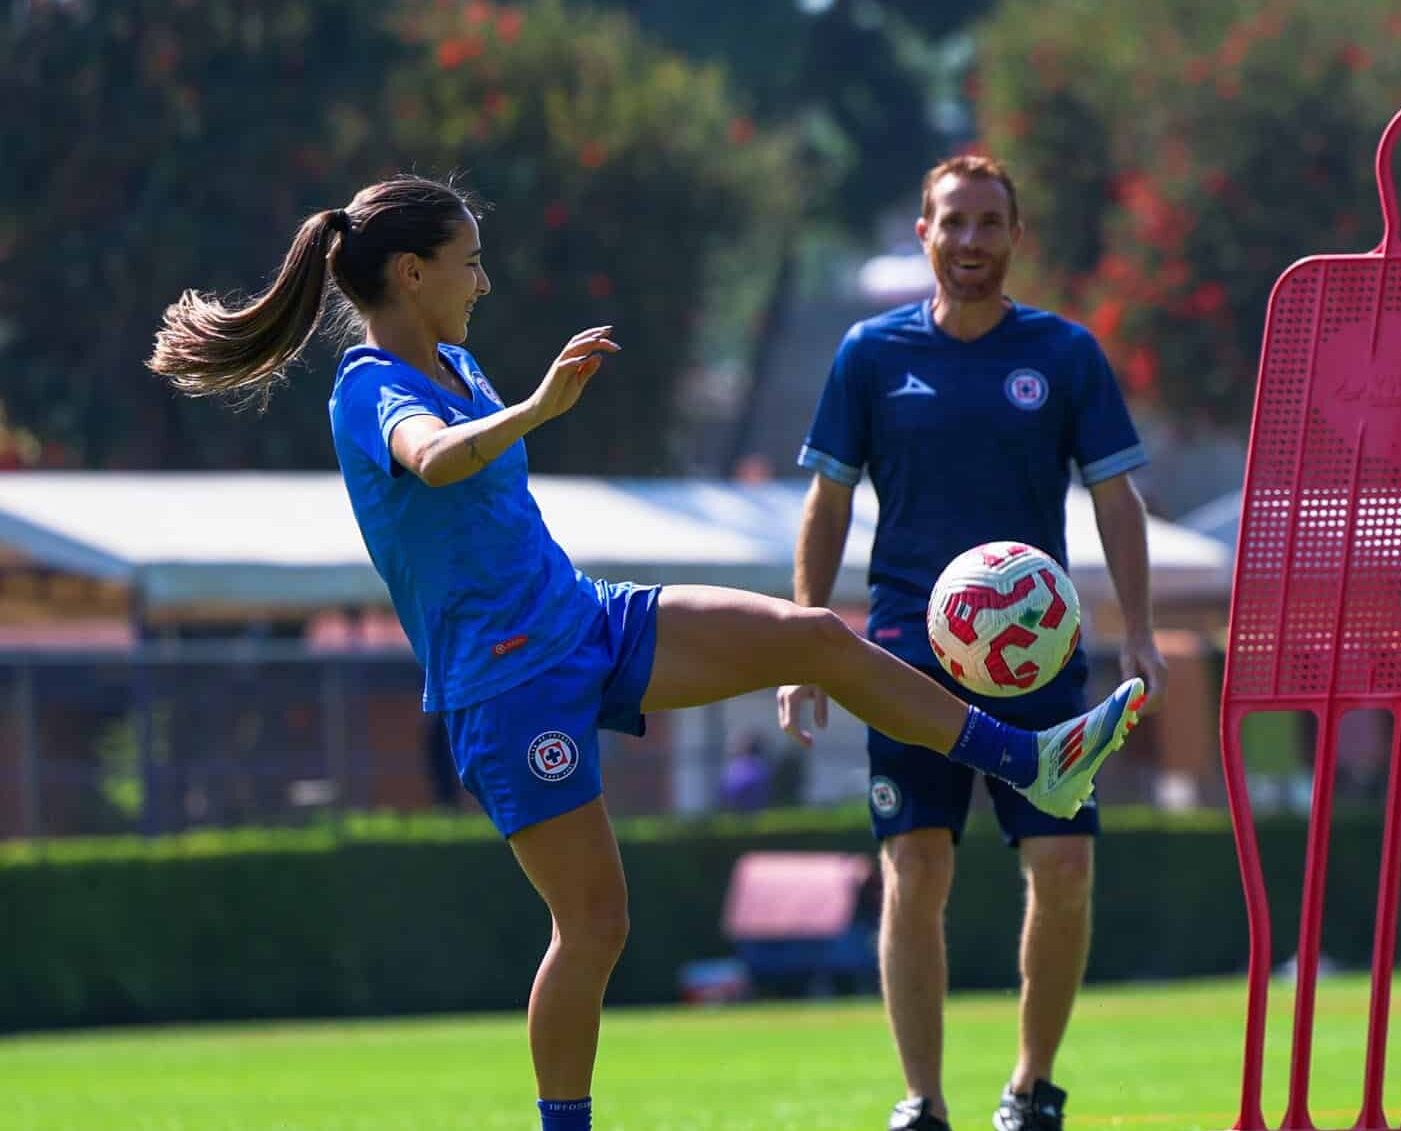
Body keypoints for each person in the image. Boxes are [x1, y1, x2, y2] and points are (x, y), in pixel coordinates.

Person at [145, 173, 1147, 1131]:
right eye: (470, 262)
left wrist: (523, 406)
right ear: (411, 273)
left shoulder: (456, 362)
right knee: (595, 927)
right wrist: (538, 408)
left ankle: (1033, 762)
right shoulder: (369, 388)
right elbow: (435, 460)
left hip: (587, 623)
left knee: (811, 635)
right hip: (507, 684)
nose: (482, 281)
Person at [776, 155, 1169, 1131]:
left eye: (990, 224)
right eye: (953, 223)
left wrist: (1143, 634)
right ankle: (924, 1102)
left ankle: (1031, 1089)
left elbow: (1117, 499)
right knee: (917, 867)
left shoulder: (1067, 356)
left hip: (1038, 664)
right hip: (904, 657)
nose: (971, 242)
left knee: (1066, 873)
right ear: (923, 233)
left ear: (1015, 237)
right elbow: (825, 503)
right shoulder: (869, 356)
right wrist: (801, 641)